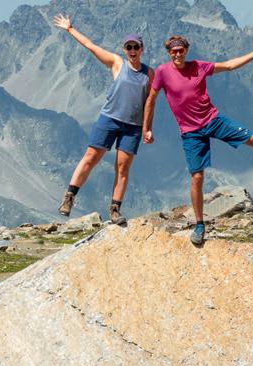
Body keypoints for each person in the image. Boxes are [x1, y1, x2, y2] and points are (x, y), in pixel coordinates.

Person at [142, 35, 253, 245]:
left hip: (213, 120)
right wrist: (146, 129)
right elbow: (151, 100)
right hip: (191, 132)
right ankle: (199, 225)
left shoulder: (199, 67)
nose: (177, 54)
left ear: (186, 50)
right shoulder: (162, 72)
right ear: (169, 53)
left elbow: (229, 65)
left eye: (181, 50)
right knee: (197, 177)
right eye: (173, 51)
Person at [53, 14, 154, 225]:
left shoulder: (149, 74)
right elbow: (91, 46)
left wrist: (147, 128)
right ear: (124, 50)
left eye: (136, 47)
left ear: (142, 49)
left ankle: (115, 210)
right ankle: (69, 197)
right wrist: (70, 29)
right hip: (109, 119)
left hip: (133, 127)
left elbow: (150, 103)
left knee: (123, 168)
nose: (132, 50)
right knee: (91, 157)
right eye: (129, 47)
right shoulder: (117, 63)